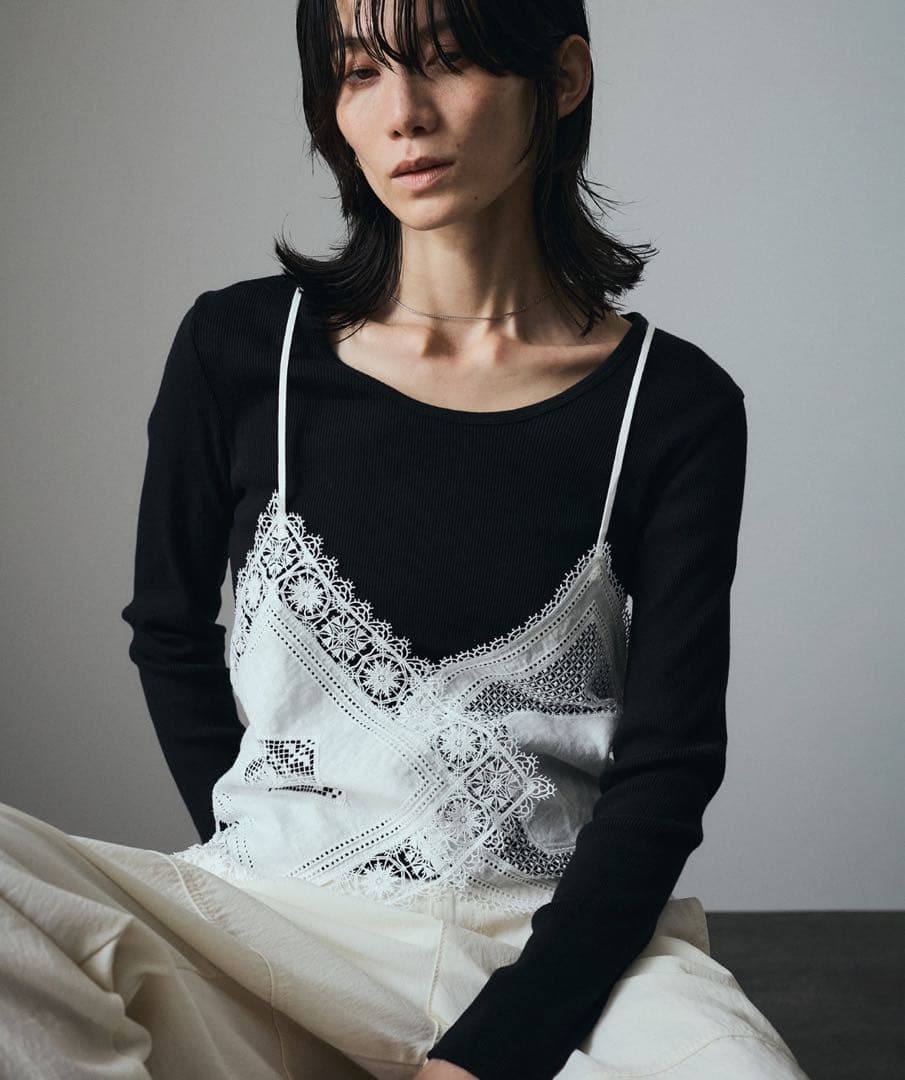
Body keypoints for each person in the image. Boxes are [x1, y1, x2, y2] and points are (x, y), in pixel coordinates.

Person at [0, 1, 812, 1078]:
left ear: (562, 77)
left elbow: (669, 765)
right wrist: (260, 847)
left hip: (555, 949)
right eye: (358, 72)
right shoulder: (239, 351)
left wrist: (489, 1055)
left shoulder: (669, 407)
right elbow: (167, 629)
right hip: (267, 922)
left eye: (449, 60)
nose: (403, 115)